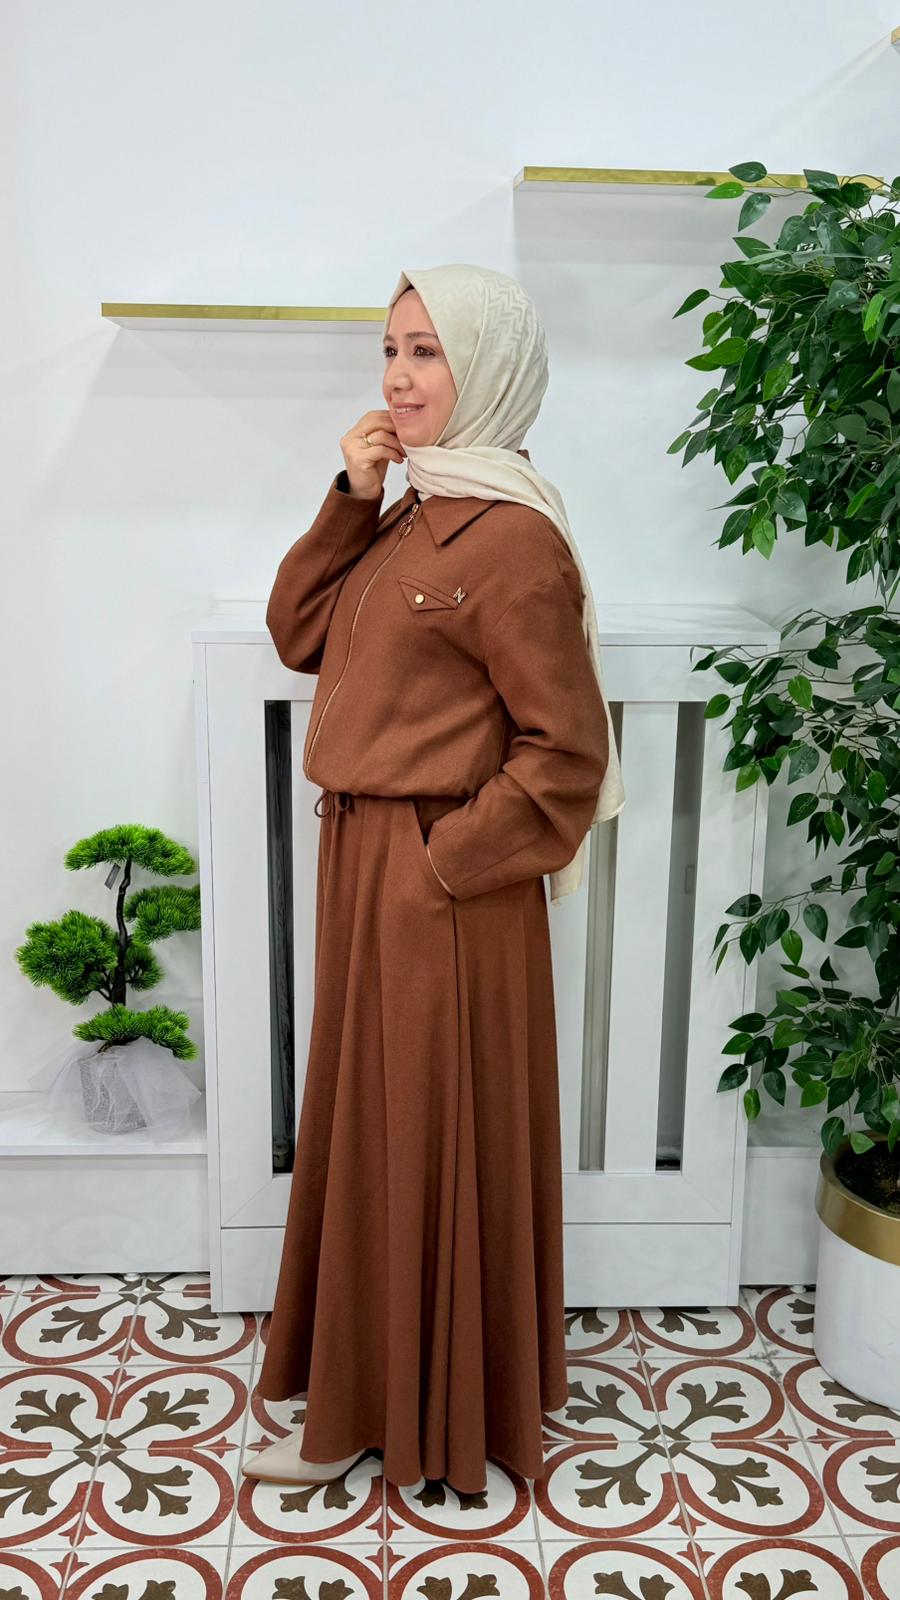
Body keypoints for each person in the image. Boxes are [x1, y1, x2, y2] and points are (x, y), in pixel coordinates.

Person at [243, 264, 624, 1496]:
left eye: (428, 351)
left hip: (443, 890)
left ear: (489, 368)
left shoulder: (511, 540)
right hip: (373, 868)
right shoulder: (412, 508)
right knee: (373, 1137)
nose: (399, 378)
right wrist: (350, 501)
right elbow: (299, 633)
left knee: (417, 1140)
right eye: (392, 350)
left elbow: (566, 756)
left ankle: (419, 1413)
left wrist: (439, 864)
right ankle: (372, 1397)